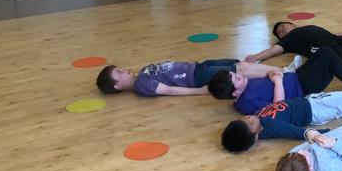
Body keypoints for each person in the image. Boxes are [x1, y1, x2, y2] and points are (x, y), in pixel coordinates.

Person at [220, 88, 342, 153]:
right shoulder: (269, 126)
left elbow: (277, 107)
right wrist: (323, 134)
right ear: (255, 136)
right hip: (315, 108)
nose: (250, 117)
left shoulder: (260, 122)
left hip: (313, 106)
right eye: (250, 123)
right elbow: (295, 132)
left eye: (244, 118)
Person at [208, 49, 342, 115]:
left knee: (323, 52)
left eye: (236, 74)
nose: (240, 75)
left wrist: (270, 74)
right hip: (302, 89)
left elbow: (265, 84)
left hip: (296, 77)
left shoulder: (244, 90)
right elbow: (278, 108)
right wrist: (278, 82)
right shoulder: (247, 102)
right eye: (237, 78)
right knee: (329, 58)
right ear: (235, 92)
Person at [95, 59, 281, 97]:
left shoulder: (141, 74)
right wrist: (200, 90)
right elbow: (169, 90)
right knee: (241, 69)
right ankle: (283, 73)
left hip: (198, 67)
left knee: (240, 64)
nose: (123, 70)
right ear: (118, 86)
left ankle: (277, 73)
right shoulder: (142, 85)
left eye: (119, 68)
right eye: (118, 73)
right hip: (197, 76)